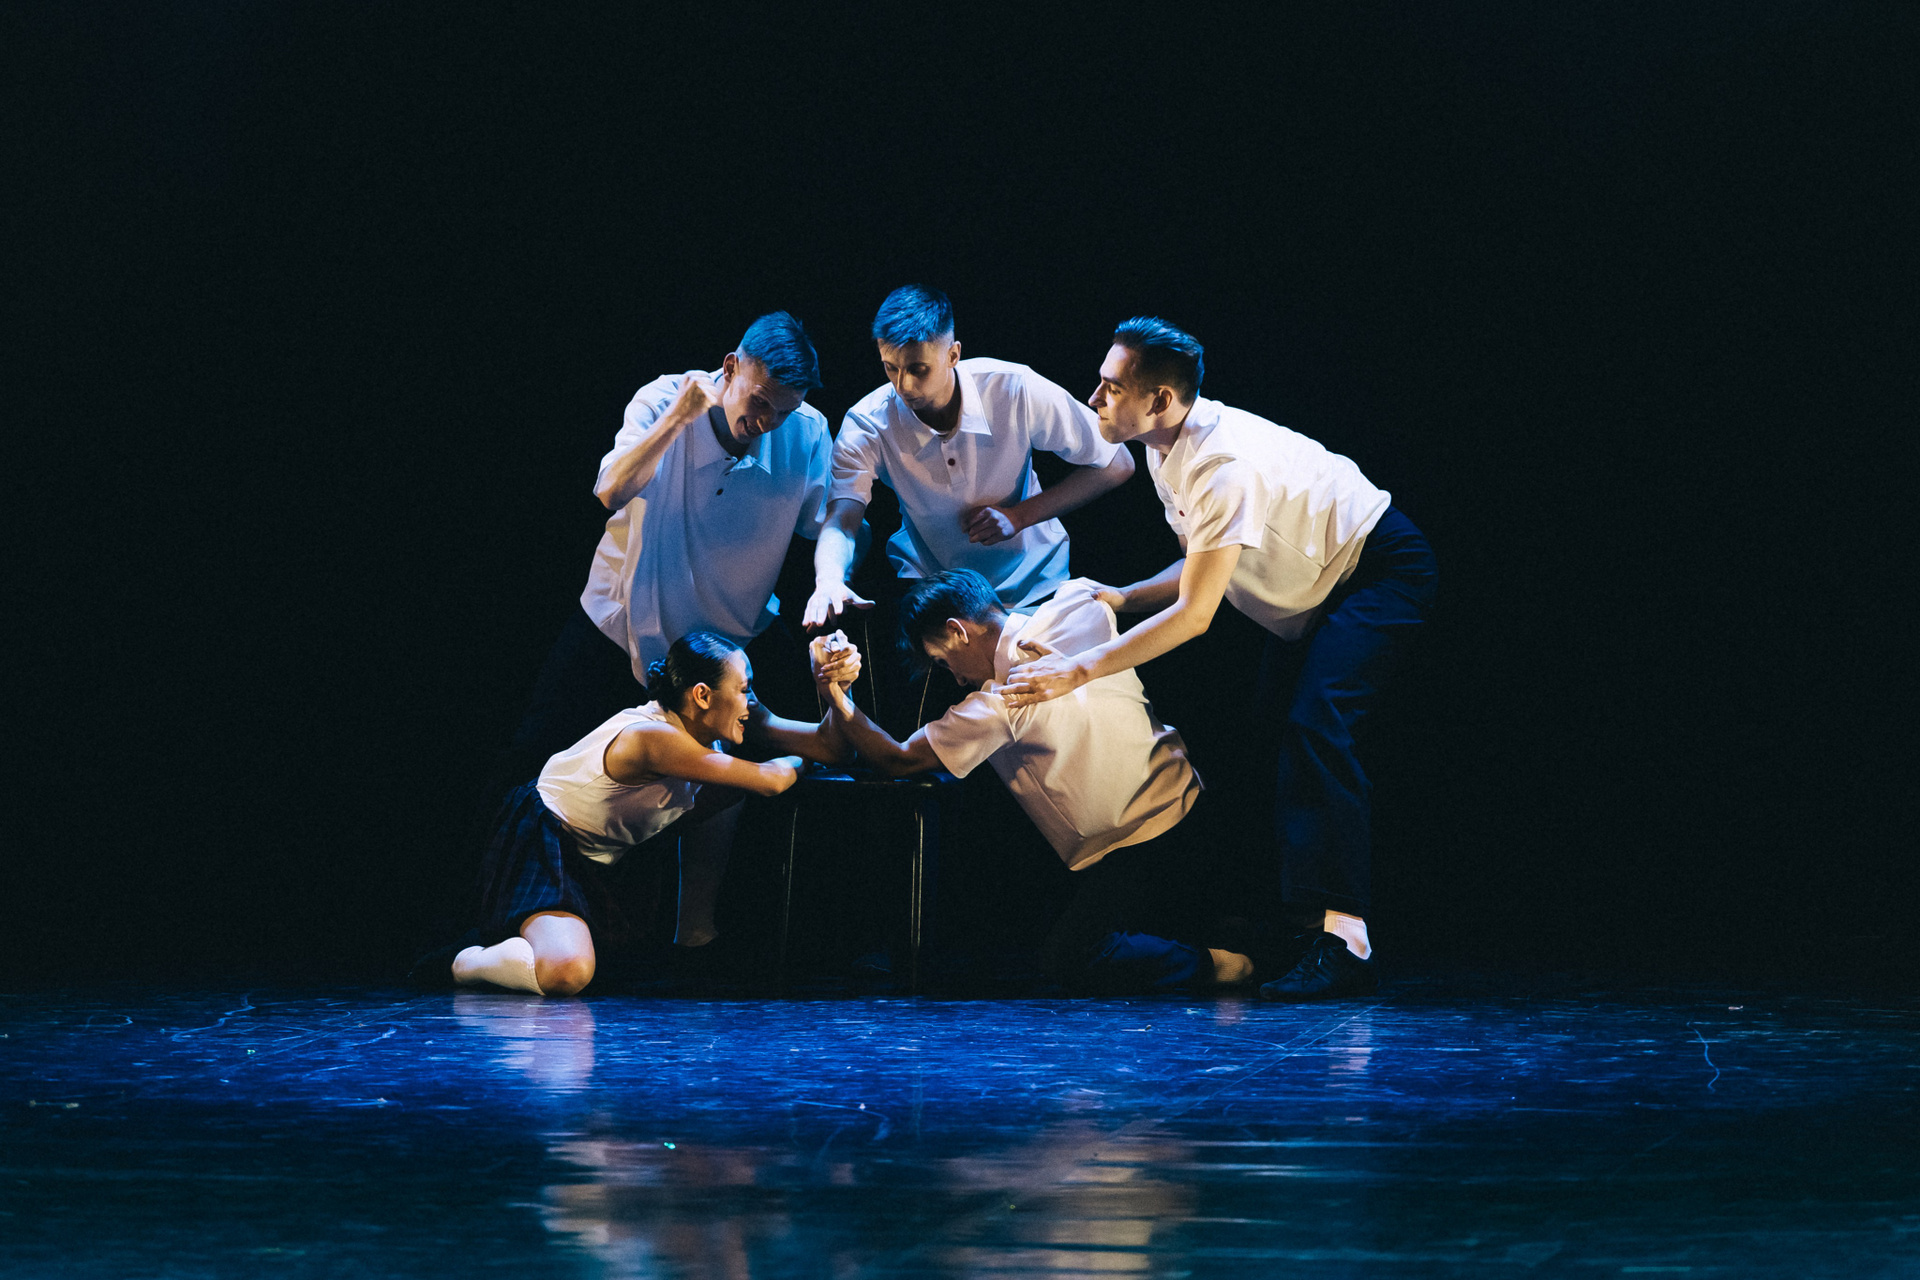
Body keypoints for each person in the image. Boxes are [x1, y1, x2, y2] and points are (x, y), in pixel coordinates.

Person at [1002, 317, 1439, 1001]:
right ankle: (1292, 927)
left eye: (1111, 388)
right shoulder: (1163, 448)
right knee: (1267, 740)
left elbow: (1197, 614)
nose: (1094, 398)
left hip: (1377, 570)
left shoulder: (1220, 463)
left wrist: (1079, 670)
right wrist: (1124, 595)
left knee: (1318, 726)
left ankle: (1347, 941)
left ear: (1160, 400)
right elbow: (1205, 561)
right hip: (1314, 593)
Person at [820, 568, 1257, 995]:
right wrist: (1123, 593)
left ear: (957, 631)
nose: (956, 678)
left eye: (942, 660)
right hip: (1195, 808)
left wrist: (835, 694)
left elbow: (897, 759)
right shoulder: (1077, 603)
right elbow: (1184, 570)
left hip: (1141, 838)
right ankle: (1222, 928)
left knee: (1072, 957)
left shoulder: (1005, 700)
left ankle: (1218, 967)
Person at [451, 631, 860, 996]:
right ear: (702, 695)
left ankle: (694, 934)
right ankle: (466, 962)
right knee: (568, 972)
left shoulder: (717, 722)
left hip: (606, 853)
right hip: (547, 841)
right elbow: (770, 780)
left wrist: (834, 688)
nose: (751, 703)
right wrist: (804, 760)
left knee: (728, 791)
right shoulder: (654, 737)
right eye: (744, 689)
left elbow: (833, 747)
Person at [803, 285, 1133, 733]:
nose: (903, 386)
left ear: (953, 354)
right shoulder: (869, 422)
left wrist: (1020, 516)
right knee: (933, 742)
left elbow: (1117, 464)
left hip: (1035, 589)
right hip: (940, 604)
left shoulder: (1013, 388)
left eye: (918, 369)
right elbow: (843, 516)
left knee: (1058, 733)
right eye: (890, 368)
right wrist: (828, 578)